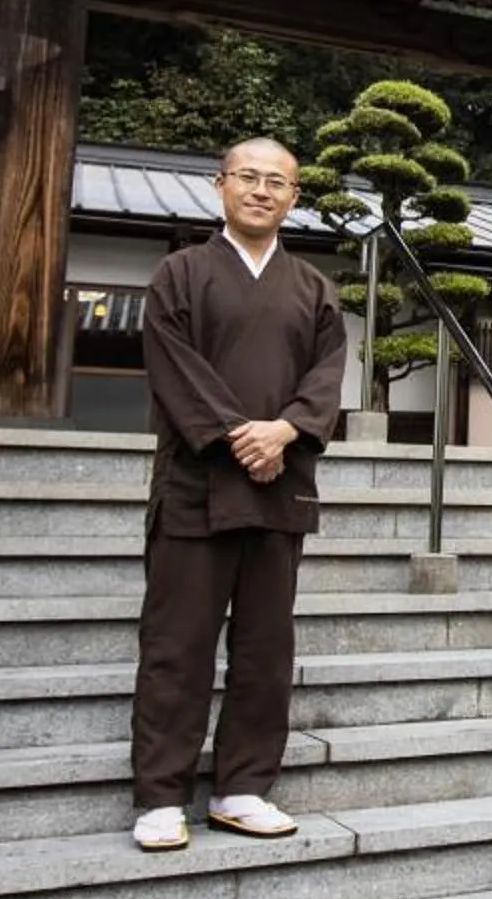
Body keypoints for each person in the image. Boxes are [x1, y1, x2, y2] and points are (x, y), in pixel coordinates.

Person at [128, 137, 350, 850]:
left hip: (281, 488)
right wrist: (235, 434)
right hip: (197, 486)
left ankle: (242, 786)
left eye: (277, 181)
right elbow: (174, 367)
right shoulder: (179, 274)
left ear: (295, 196)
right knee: (177, 643)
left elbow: (325, 375)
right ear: (221, 186)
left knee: (264, 646)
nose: (261, 190)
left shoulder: (314, 289)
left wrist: (284, 431)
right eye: (248, 177)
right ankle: (161, 795)